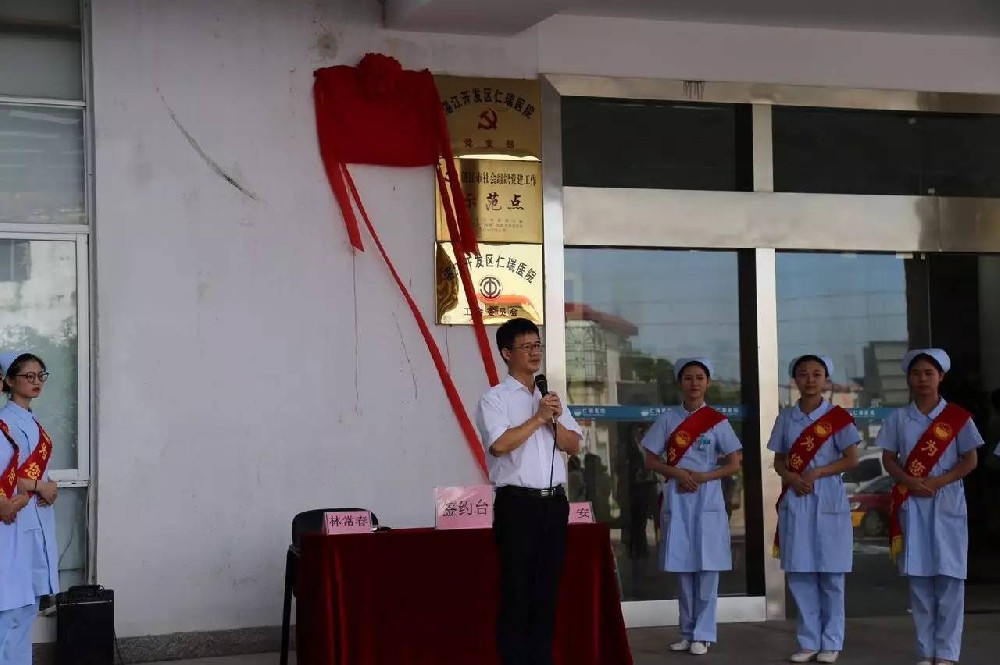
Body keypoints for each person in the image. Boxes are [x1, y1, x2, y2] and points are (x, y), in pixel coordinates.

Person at [475, 318, 583, 665]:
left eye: (537, 345)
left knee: (547, 589)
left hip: (554, 504)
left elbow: (575, 445)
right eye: (527, 346)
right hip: (518, 507)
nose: (535, 352)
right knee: (517, 590)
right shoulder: (495, 399)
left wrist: (552, 420)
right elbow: (499, 445)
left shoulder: (550, 397)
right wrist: (537, 419)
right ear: (507, 353)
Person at [877, 349, 984, 665]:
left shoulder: (957, 417)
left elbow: (971, 459)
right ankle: (926, 651)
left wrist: (939, 481)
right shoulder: (899, 418)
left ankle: (947, 652)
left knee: (950, 579)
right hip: (913, 501)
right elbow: (888, 459)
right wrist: (909, 481)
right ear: (908, 378)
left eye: (929, 373)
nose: (922, 379)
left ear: (941, 377)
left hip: (946, 499)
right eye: (916, 373)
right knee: (920, 579)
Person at [640, 357, 743, 656]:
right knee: (683, 568)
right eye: (688, 378)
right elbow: (651, 459)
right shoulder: (668, 420)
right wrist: (678, 474)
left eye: (700, 377)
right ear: (680, 383)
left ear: (708, 382)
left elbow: (735, 462)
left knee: (708, 569)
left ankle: (704, 633)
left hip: (707, 496)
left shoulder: (717, 421)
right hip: (678, 496)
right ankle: (686, 632)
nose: (694, 383)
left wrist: (703, 476)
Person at [768, 355, 861, 664]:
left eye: (816, 374)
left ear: (826, 380)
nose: (809, 379)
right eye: (803, 374)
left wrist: (817, 473)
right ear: (795, 379)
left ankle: (832, 642)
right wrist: (792, 476)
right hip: (797, 497)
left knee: (831, 575)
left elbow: (851, 459)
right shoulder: (786, 418)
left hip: (828, 496)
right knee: (801, 572)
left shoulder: (838, 418)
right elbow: (779, 460)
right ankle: (808, 641)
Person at [0, 351, 60, 665]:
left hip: (34, 522)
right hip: (10, 524)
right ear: (9, 381)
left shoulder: (33, 422)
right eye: (29, 376)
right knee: (10, 610)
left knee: (28, 605)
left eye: (41, 376)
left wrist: (46, 488)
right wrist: (41, 486)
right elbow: (7, 478)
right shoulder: (4, 423)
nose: (37, 382)